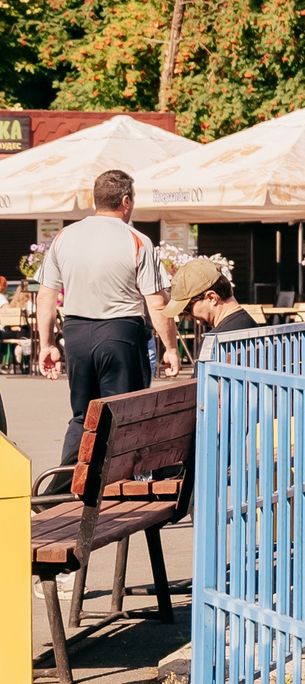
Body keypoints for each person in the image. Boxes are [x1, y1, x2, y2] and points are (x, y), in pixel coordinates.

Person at [35, 170, 181, 464]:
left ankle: (65, 483)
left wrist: (47, 344)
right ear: (126, 201)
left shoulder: (64, 236)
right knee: (124, 416)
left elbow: (46, 297)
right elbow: (156, 302)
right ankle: (115, 484)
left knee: (82, 416)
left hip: (76, 334)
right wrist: (171, 348)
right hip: (120, 333)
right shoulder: (137, 240)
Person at [170, 257, 259, 339]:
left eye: (188, 308)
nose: (188, 316)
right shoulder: (254, 330)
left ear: (211, 298)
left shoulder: (214, 342)